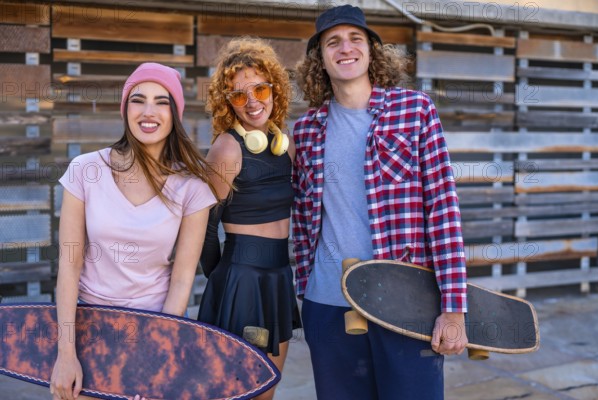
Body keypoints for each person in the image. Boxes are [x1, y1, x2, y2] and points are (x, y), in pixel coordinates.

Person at [293, 5, 469, 399]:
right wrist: (303, 287)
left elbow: (443, 208)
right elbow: (303, 220)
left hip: (403, 301)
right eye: (332, 42)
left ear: (372, 51)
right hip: (328, 304)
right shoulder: (306, 130)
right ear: (319, 58)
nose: (345, 48)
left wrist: (454, 306)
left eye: (356, 39)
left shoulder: (415, 111)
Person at [50, 62, 217, 400]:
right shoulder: (85, 170)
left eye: (162, 101)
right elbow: (69, 266)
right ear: (125, 109)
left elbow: (183, 279)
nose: (148, 111)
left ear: (175, 114)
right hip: (89, 326)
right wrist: (66, 354)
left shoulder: (192, 188)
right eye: (138, 100)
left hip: (155, 324)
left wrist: (159, 352)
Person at [196, 37, 301, 400]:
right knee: (241, 390)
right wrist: (226, 282)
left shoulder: (284, 145)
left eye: (260, 88)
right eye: (239, 95)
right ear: (228, 103)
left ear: (275, 89)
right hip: (243, 278)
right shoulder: (227, 147)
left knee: (266, 391)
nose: (253, 101)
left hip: (277, 279)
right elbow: (206, 229)